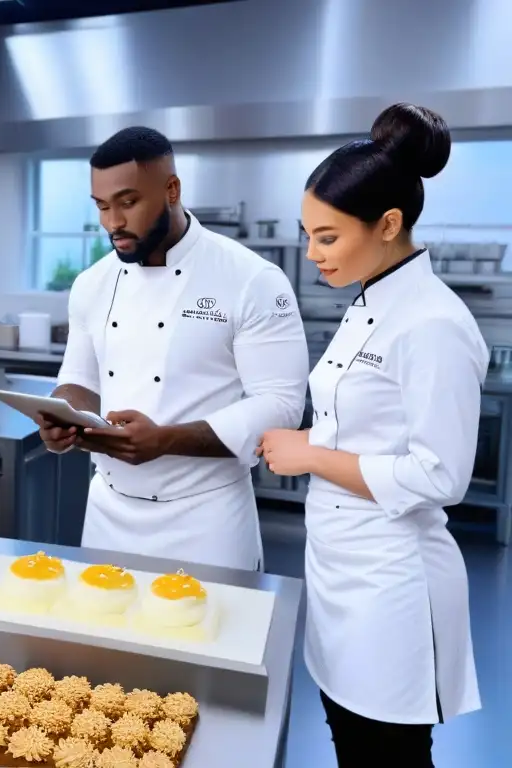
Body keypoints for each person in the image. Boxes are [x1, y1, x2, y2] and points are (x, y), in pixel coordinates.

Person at [260, 103, 484, 767]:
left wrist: (311, 454)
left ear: (388, 225)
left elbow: (441, 475)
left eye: (327, 237)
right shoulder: (368, 301)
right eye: (308, 234)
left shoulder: (432, 322)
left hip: (393, 588)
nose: (312, 254)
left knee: (386, 755)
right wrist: (308, 440)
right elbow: (364, 423)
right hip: (339, 571)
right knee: (350, 744)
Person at [40, 126, 309, 570]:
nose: (113, 223)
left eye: (128, 203)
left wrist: (165, 440)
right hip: (109, 514)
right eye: (102, 207)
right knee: (102, 638)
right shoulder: (92, 283)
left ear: (171, 189)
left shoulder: (251, 279)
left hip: (206, 520)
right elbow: (79, 380)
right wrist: (61, 417)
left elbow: (281, 405)